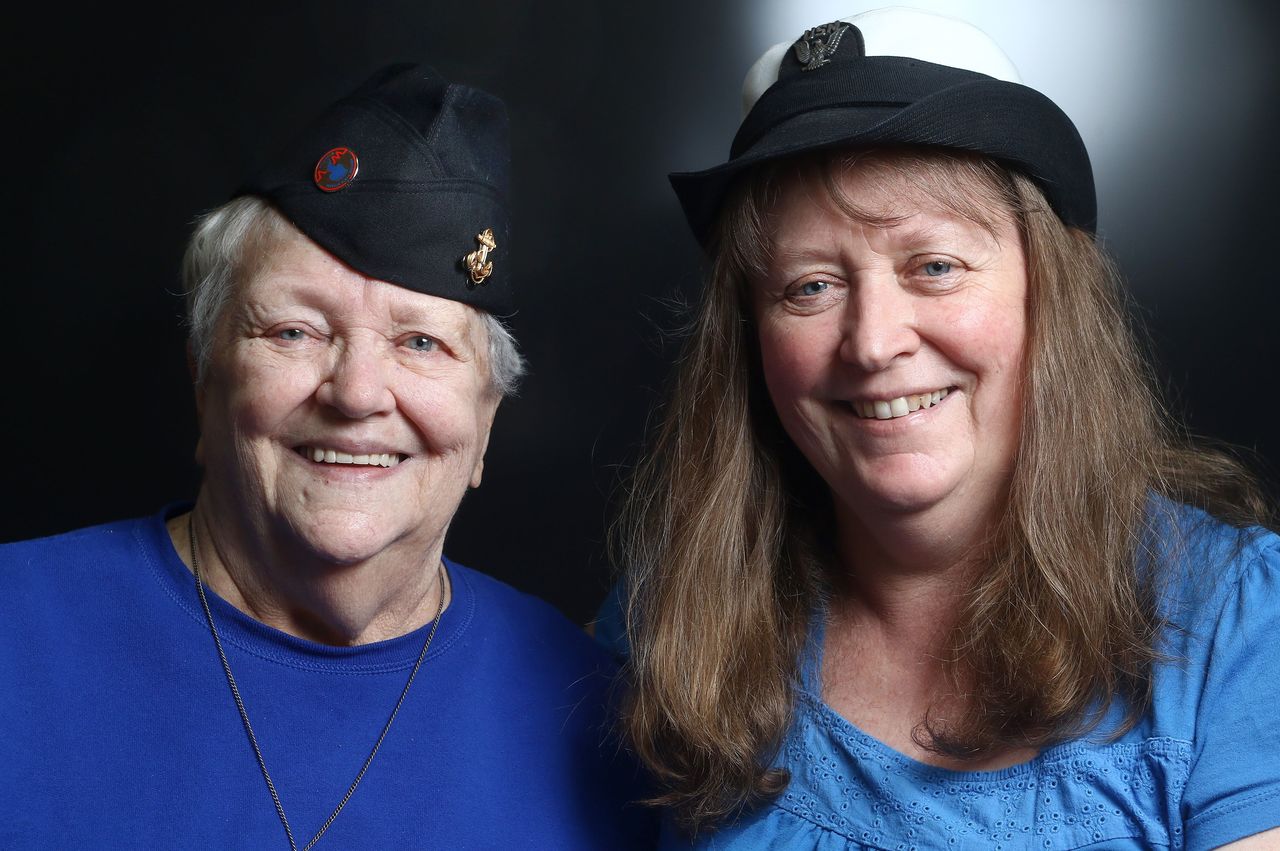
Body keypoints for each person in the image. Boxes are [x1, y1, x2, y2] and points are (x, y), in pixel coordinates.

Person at [596, 8, 1280, 849]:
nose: (876, 342)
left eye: (935, 266)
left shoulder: (1236, 626)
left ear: (1048, 297)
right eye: (810, 286)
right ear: (751, 335)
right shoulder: (666, 622)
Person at [0, 64, 652, 848]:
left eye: (421, 342)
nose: (356, 393)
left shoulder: (604, 717)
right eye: (294, 331)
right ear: (206, 381)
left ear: (484, 425)